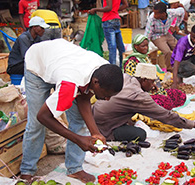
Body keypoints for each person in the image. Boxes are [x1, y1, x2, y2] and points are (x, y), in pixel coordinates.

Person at [19, 39, 124, 184]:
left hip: (61, 62)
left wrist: (95, 132)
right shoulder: (71, 83)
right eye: (106, 94)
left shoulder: (102, 70)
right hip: (38, 65)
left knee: (79, 121)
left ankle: (74, 168)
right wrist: (78, 139)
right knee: (36, 124)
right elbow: (43, 117)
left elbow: (84, 99)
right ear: (96, 83)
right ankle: (27, 171)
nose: (107, 99)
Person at [93, 63, 195, 142]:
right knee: (141, 134)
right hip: (104, 126)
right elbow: (166, 116)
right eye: (152, 81)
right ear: (144, 80)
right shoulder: (139, 96)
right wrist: (194, 124)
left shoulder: (125, 77)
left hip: (94, 114)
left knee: (130, 119)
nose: (154, 85)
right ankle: (110, 136)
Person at [145, 2, 185, 71]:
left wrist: (176, 25)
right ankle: (170, 69)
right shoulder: (152, 18)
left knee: (179, 47)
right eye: (154, 13)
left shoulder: (171, 12)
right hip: (156, 36)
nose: (154, 15)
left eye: (156, 13)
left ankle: (182, 65)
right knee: (167, 51)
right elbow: (148, 33)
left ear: (163, 14)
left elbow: (182, 11)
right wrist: (145, 46)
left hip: (166, 33)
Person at [89, 0, 129, 66]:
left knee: (112, 47)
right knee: (120, 47)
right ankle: (123, 66)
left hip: (108, 20)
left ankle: (112, 68)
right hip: (116, 20)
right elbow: (125, 5)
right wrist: (115, 10)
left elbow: (108, 8)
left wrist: (95, 9)